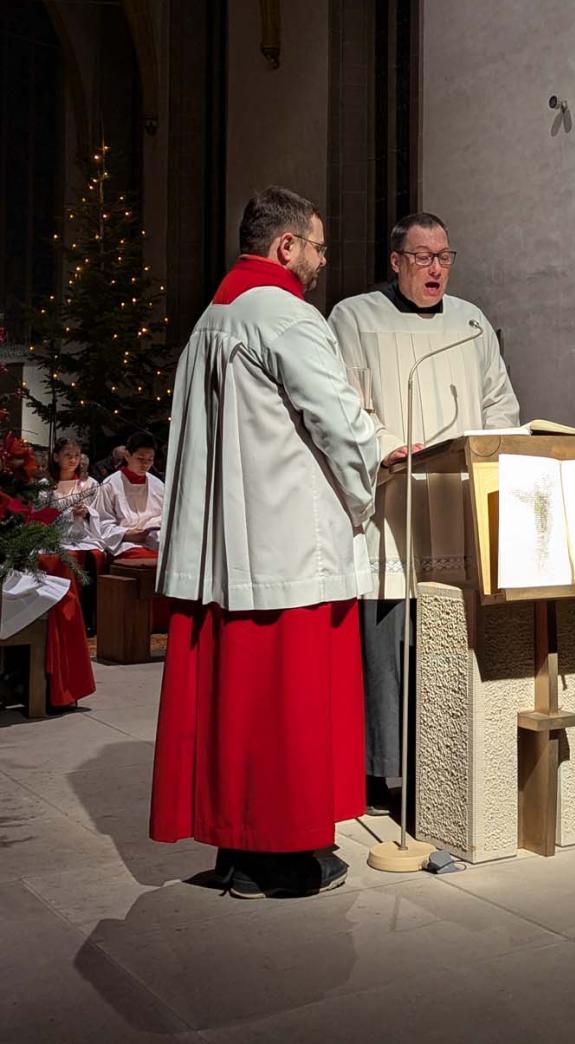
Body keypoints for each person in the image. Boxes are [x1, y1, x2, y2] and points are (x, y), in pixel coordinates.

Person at [150, 186, 380, 900]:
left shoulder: (213, 318)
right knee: (287, 713)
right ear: (285, 248)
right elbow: (340, 425)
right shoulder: (287, 315)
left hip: (225, 552)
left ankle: (238, 849)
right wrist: (373, 469)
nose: (319, 261)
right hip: (287, 547)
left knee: (236, 713)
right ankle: (280, 857)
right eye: (315, 246)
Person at [329, 212, 520, 813]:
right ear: (395, 260)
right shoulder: (354, 318)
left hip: (457, 499)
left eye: (444, 256)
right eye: (422, 257)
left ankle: (444, 757)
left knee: (448, 637)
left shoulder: (471, 321)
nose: (435, 268)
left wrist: (494, 452)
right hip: (390, 499)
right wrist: (384, 443)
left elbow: (498, 398)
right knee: (388, 639)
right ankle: (383, 769)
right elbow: (343, 402)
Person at [38, 436, 105, 634]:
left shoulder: (90, 483)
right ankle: (66, 616)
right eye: (68, 455)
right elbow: (42, 517)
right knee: (69, 558)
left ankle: (88, 617)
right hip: (56, 538)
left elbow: (100, 513)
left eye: (76, 455)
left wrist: (87, 513)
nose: (73, 460)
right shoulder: (46, 485)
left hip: (83, 536)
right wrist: (68, 513)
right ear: (56, 457)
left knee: (96, 556)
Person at [96, 431, 164, 558]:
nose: (145, 464)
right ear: (127, 455)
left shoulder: (158, 485)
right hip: (126, 544)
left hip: (155, 541)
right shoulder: (110, 484)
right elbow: (102, 523)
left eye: (150, 460)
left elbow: (164, 517)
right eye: (140, 459)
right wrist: (126, 533)